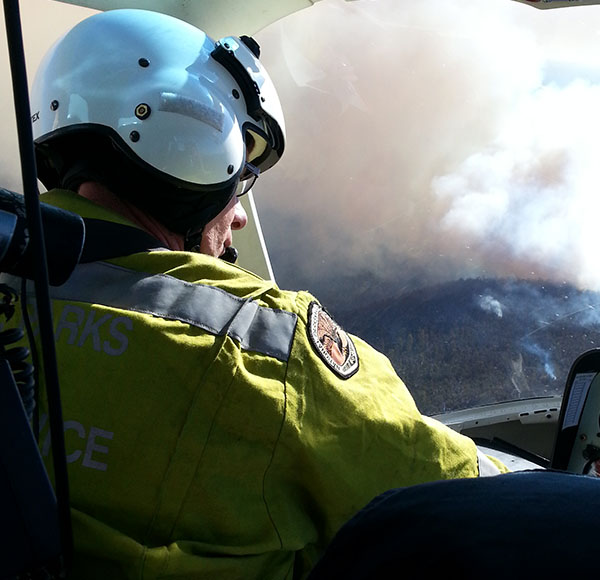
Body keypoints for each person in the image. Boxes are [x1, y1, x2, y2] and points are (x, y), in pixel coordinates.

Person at [12, 9, 507, 579]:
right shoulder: (264, 348)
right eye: (239, 179)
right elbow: (459, 494)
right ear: (189, 148)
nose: (239, 216)